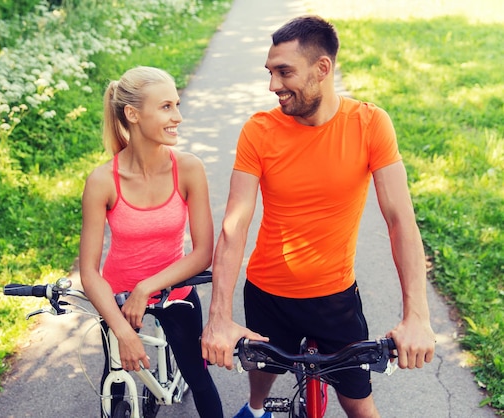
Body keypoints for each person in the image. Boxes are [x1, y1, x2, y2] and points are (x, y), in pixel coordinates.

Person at [200, 15, 436, 418]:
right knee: (263, 372)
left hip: (335, 300)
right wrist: (219, 318)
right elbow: (234, 225)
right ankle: (256, 409)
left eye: (284, 72)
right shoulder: (258, 131)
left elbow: (401, 222)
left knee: (360, 405)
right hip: (267, 293)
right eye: (270, 72)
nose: (273, 85)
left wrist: (417, 316)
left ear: (322, 68)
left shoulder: (369, 124)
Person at [79, 66, 223, 417]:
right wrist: (120, 327)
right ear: (132, 114)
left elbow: (204, 251)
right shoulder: (102, 181)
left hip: (175, 292)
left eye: (176, 104)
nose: (178, 116)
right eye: (166, 107)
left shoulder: (188, 168)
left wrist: (147, 288)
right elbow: (89, 271)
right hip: (118, 299)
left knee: (199, 379)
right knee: (113, 387)